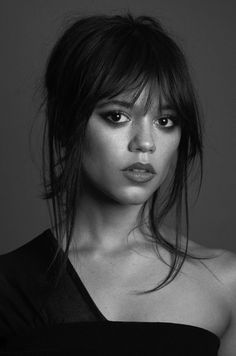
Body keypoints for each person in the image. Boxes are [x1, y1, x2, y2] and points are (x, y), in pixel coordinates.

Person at [0, 12, 235, 356]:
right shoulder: (9, 285)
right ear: (67, 123)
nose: (146, 142)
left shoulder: (226, 283)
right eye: (117, 116)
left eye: (165, 120)